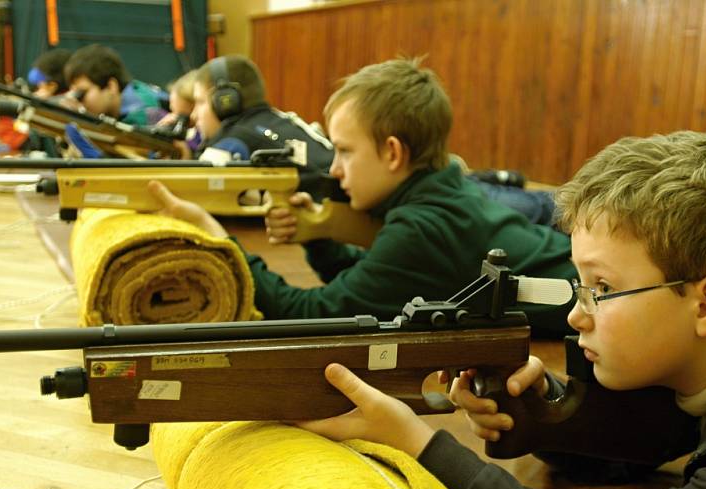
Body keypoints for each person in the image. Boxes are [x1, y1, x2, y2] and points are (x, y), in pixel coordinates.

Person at [294, 131, 706, 489]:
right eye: (580, 286)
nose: (577, 314)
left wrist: (421, 448)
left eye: (602, 288)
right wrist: (548, 414)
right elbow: (665, 433)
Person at [148, 57, 576, 336]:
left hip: (593, 306)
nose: (334, 169)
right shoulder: (435, 196)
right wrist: (318, 237)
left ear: (392, 153)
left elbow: (308, 316)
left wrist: (219, 241)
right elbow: (373, 281)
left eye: (346, 151)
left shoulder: (422, 227)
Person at [186, 54, 335, 171]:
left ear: (226, 101)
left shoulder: (230, 144)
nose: (194, 115)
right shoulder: (281, 119)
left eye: (200, 102)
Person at [63, 44, 168, 126]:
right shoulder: (133, 92)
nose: (78, 101)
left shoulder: (143, 114)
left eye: (82, 94)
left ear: (110, 86)